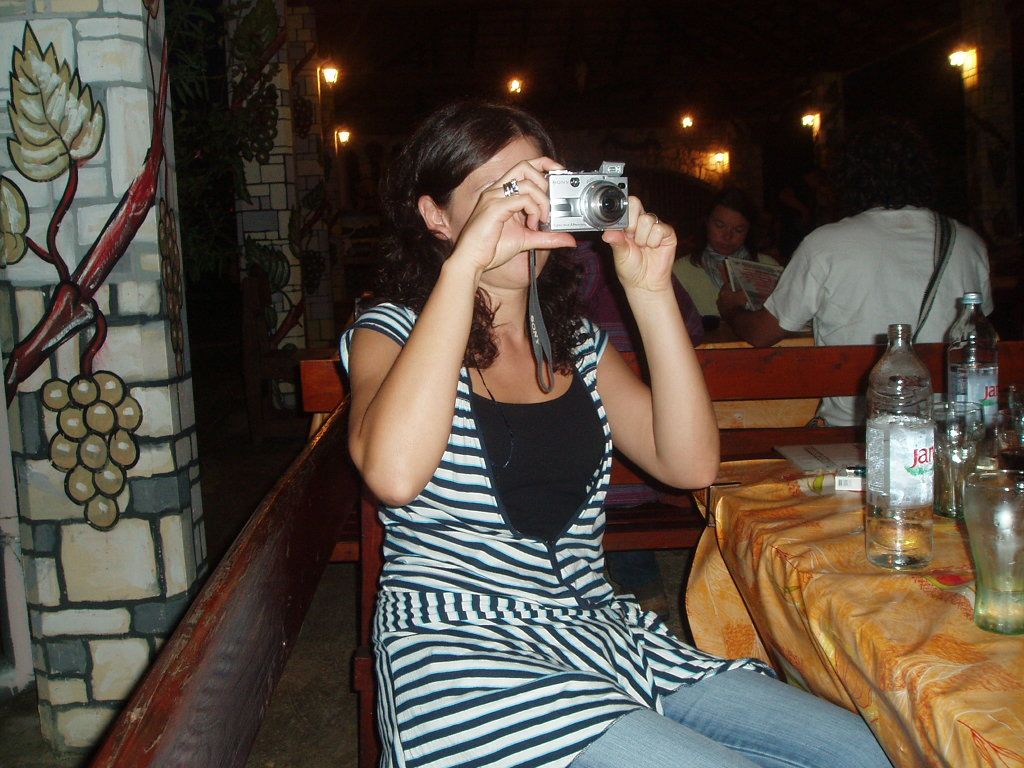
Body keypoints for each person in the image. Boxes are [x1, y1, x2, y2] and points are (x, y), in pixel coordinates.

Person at [340, 100, 891, 768]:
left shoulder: (573, 339)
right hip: (465, 653)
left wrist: (651, 291)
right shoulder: (393, 331)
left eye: (540, 187)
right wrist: (465, 266)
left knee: (870, 753)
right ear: (436, 216)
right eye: (502, 191)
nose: (526, 211)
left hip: (603, 633)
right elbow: (394, 475)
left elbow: (688, 464)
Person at [718, 116, 993, 426]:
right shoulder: (967, 243)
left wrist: (732, 310)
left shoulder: (826, 244)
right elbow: (978, 329)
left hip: (854, 432)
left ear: (849, 178)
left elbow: (762, 334)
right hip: (948, 427)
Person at [574, 238, 703, 619]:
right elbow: (693, 330)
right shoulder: (643, 263)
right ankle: (647, 591)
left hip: (593, 477)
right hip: (643, 475)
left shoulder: (549, 280)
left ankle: (643, 587)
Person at [672, 186, 780, 324]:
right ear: (706, 223)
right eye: (720, 226)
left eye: (738, 230)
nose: (727, 236)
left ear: (749, 231)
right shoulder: (681, 271)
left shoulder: (768, 267)